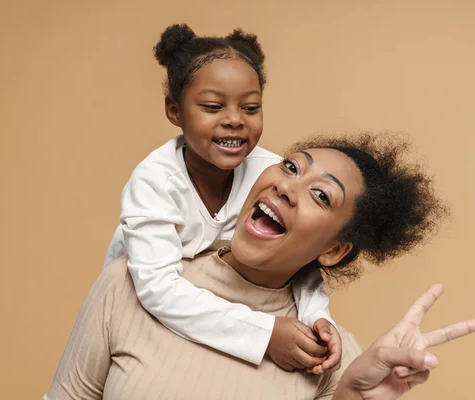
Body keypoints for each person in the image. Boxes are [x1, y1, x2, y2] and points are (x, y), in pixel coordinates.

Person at [45, 133, 475, 399]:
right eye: (292, 167)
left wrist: (353, 398)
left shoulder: (333, 357)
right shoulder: (130, 283)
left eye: (321, 195)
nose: (288, 187)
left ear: (333, 250)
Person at [103, 23, 341, 373]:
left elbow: (298, 256)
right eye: (213, 107)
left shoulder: (270, 173)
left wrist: (317, 315)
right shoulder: (155, 182)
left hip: (219, 314)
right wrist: (266, 335)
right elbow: (156, 289)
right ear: (174, 111)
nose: (234, 120)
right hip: (141, 310)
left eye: (250, 108)